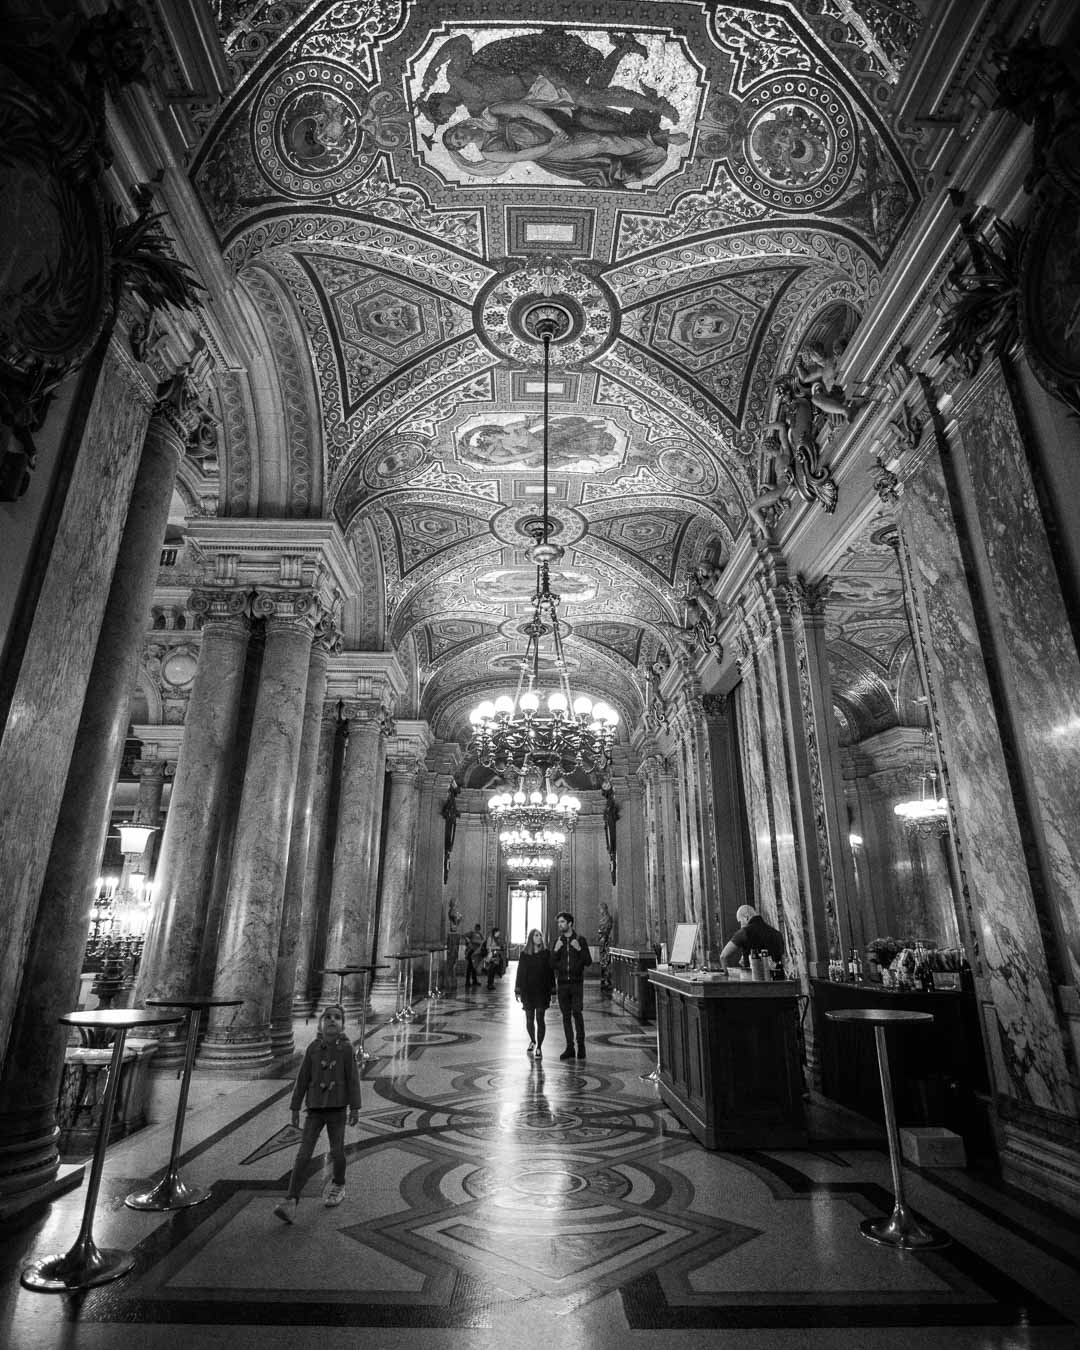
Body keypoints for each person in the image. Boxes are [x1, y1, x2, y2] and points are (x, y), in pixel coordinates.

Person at [273, 1003, 360, 1224]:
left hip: (337, 1109)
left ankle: (339, 1183)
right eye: (328, 1017)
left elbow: (353, 1080)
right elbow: (302, 1079)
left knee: (337, 1151)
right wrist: (295, 1106)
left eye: (337, 1017)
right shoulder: (313, 1048)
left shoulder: (347, 1049)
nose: (332, 1020)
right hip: (314, 1109)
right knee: (303, 1154)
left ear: (342, 1024)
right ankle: (291, 1199)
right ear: (321, 1023)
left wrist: (355, 1107)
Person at [550, 910, 592, 1059]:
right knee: (566, 1016)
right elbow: (551, 964)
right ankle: (569, 1048)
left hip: (576, 984)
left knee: (577, 1013)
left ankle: (581, 1046)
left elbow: (588, 961)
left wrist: (579, 949)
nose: (560, 925)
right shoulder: (558, 941)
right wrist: (555, 950)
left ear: (570, 923)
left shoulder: (580, 940)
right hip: (562, 984)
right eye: (559, 922)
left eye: (562, 922)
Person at [514, 927, 556, 1058]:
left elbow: (550, 973)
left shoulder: (546, 953)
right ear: (531, 938)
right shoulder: (524, 954)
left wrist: (553, 991)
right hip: (528, 990)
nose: (539, 938)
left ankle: (539, 1047)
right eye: (536, 935)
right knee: (529, 1018)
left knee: (540, 1019)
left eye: (540, 935)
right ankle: (532, 1040)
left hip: (542, 990)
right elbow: (520, 973)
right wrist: (517, 989)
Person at [719, 905, 784, 970]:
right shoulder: (777, 934)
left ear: (746, 917)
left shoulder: (744, 932)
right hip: (777, 978)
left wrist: (726, 975)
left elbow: (723, 956)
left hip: (753, 977)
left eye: (740, 922)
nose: (740, 926)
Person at [481, 925, 507, 990]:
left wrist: (501, 948)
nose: (499, 933)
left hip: (495, 956)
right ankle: (489, 984)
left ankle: (491, 983)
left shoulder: (497, 939)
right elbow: (487, 947)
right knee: (491, 971)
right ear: (495, 932)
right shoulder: (490, 938)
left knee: (493, 971)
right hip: (491, 956)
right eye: (498, 932)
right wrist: (497, 947)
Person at [464, 922, 484, 989]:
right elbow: (465, 936)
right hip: (471, 952)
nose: (477, 930)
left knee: (474, 967)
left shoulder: (480, 935)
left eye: (478, 929)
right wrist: (469, 942)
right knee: (470, 967)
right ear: (475, 928)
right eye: (477, 928)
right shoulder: (472, 933)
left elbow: (482, 942)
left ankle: (474, 981)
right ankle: (467, 981)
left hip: (477, 952)